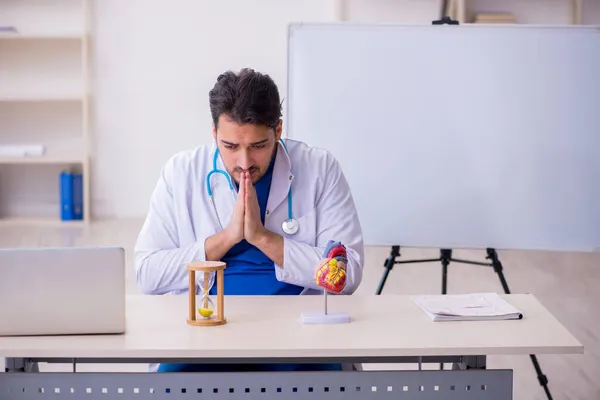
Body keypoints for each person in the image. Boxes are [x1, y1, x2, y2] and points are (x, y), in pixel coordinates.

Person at [134, 68, 364, 372]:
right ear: (214, 133)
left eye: (258, 146)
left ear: (278, 131)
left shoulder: (320, 169)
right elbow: (147, 274)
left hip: (297, 325)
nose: (244, 162)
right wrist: (227, 237)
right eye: (230, 147)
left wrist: (261, 238)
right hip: (207, 323)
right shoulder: (181, 172)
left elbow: (349, 274)